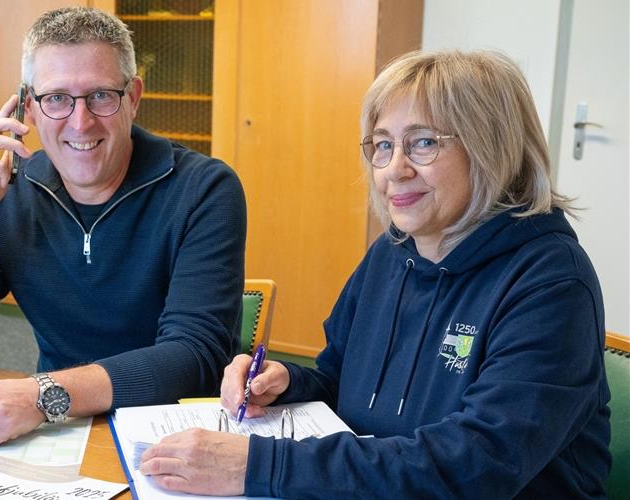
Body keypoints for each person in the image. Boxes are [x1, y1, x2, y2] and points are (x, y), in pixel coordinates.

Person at [139, 50, 611, 498]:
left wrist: (257, 465)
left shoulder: (551, 283)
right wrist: (285, 382)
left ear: (492, 148)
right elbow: (338, 379)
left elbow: (476, 468)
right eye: (382, 145)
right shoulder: (391, 254)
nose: (393, 170)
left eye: (423, 143)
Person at [0, 7, 246, 447]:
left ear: (133, 96)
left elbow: (194, 357)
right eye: (57, 98)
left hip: (174, 433)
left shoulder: (204, 188)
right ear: (29, 107)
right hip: (56, 431)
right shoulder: (13, 191)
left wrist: (42, 395)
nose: (80, 122)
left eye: (101, 95)